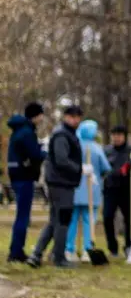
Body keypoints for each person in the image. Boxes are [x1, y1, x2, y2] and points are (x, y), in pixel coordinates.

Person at [28, 105, 84, 269]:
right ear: (66, 117)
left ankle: (36, 255)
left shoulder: (66, 134)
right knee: (63, 220)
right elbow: (61, 159)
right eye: (72, 116)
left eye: (77, 117)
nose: (75, 120)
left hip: (60, 183)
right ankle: (59, 258)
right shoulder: (62, 135)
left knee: (55, 220)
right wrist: (78, 168)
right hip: (61, 183)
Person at [6, 102, 46, 262]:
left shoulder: (19, 131)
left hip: (17, 175)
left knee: (21, 215)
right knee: (23, 216)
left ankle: (16, 249)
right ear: (36, 115)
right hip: (24, 177)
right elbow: (35, 154)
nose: (42, 118)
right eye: (41, 114)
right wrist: (45, 152)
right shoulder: (27, 132)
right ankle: (16, 252)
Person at [65, 119, 110, 262]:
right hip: (92, 191)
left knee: (72, 220)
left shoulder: (75, 146)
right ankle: (87, 250)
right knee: (88, 221)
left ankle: (69, 249)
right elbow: (106, 168)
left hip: (75, 189)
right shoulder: (96, 148)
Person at [103, 126, 131, 257]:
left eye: (119, 135)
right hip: (110, 189)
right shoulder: (106, 151)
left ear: (124, 136)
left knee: (129, 219)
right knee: (107, 217)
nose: (116, 138)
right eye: (114, 135)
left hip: (127, 190)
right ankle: (112, 247)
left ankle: (129, 245)